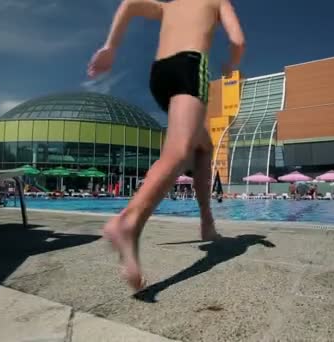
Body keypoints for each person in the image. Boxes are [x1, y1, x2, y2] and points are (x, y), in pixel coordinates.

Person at [87, 0, 245, 290]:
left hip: (159, 74)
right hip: (189, 65)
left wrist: (111, 46)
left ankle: (207, 224)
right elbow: (237, 40)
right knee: (179, 149)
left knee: (203, 146)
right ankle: (128, 223)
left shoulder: (168, 6)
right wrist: (231, 64)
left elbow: (130, 4)